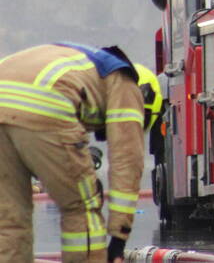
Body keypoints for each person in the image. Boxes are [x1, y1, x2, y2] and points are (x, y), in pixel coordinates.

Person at [0, 43, 162, 263]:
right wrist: (118, 237)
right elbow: (127, 160)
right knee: (83, 207)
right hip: (46, 102)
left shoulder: (83, 63)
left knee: (9, 221)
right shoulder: (126, 83)